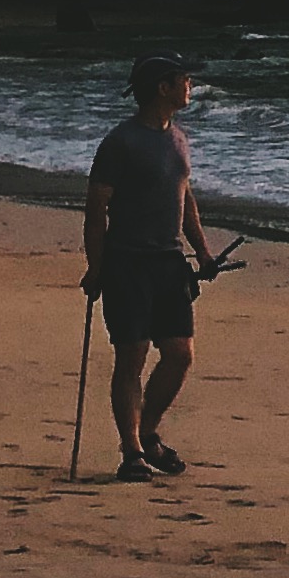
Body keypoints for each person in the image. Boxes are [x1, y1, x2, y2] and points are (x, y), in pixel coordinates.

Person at [83, 54, 221, 481]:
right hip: (128, 263)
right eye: (184, 79)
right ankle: (132, 452)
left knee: (180, 355)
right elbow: (96, 207)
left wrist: (202, 252)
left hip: (168, 262)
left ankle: (147, 433)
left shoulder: (178, 139)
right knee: (132, 356)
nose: (190, 85)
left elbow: (185, 198)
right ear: (163, 88)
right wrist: (97, 266)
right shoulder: (121, 142)